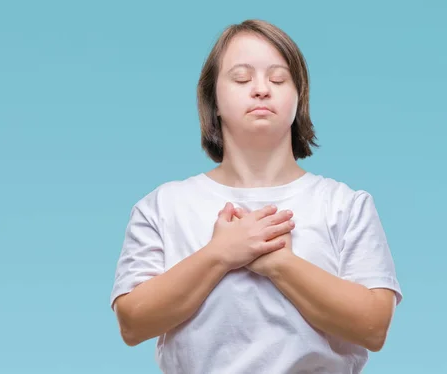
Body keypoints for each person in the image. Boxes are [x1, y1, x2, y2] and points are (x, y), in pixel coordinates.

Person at [109, 19, 402, 374]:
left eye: (278, 79)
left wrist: (278, 263)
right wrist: (220, 254)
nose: (261, 89)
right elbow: (133, 323)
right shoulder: (163, 206)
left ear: (299, 98)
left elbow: (374, 327)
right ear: (213, 100)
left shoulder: (345, 205)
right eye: (242, 78)